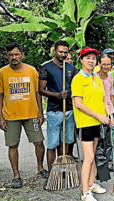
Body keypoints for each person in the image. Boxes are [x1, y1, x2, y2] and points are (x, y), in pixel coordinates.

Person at [0, 42, 48, 188]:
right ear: (7, 56)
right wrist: (0, 117)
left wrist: (40, 112)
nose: (14, 57)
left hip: (31, 115)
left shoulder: (31, 71)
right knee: (12, 145)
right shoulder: (1, 73)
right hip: (10, 116)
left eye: (16, 54)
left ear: (22, 55)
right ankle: (16, 175)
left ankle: (40, 168)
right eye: (11, 55)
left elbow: (37, 92)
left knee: (39, 143)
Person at [72, 47, 111, 201]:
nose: (91, 60)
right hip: (86, 123)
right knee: (88, 158)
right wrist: (99, 116)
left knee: (93, 155)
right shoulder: (78, 79)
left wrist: (109, 115)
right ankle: (85, 192)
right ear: (81, 60)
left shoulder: (97, 77)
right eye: (87, 58)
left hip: (99, 122)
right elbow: (78, 104)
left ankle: (91, 184)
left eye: (93, 58)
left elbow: (103, 99)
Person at [39, 41, 77, 188]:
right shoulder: (46, 67)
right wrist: (56, 94)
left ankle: (64, 169)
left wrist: (70, 94)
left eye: (65, 52)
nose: (62, 54)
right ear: (55, 51)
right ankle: (51, 173)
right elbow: (41, 90)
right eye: (60, 52)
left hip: (69, 110)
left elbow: (76, 87)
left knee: (67, 141)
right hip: (54, 111)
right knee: (53, 144)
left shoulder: (71, 68)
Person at [95, 54, 114, 171]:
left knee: (110, 139)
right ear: (99, 64)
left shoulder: (110, 77)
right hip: (98, 111)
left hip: (109, 111)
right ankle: (100, 162)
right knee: (99, 138)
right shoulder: (94, 77)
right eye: (103, 64)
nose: (105, 66)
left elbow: (111, 96)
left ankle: (111, 161)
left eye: (108, 64)